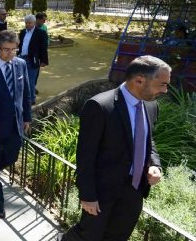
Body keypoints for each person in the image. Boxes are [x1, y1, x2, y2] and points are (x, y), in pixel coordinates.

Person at [61, 55, 169, 241]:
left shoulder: (152, 106)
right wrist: (87, 195)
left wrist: (154, 165)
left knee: (118, 236)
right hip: (103, 191)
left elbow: (148, 141)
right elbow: (85, 155)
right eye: (162, 84)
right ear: (139, 80)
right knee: (88, 235)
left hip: (134, 190)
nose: (165, 90)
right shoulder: (100, 106)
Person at [0, 30, 31, 219]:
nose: (10, 54)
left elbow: (25, 92)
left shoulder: (21, 64)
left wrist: (27, 117)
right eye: (6, 50)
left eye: (14, 49)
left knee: (11, 157)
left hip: (15, 125)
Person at [18, 14, 49, 104]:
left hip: (33, 59)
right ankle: (24, 98)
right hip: (21, 59)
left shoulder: (41, 33)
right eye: (26, 23)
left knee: (30, 81)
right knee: (22, 79)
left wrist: (44, 61)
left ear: (34, 23)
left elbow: (44, 47)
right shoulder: (22, 32)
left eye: (29, 23)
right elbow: (20, 45)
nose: (27, 25)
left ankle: (31, 99)